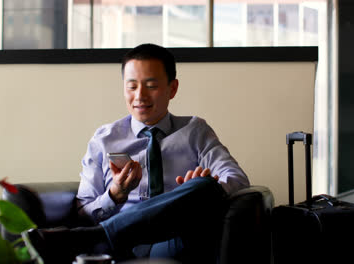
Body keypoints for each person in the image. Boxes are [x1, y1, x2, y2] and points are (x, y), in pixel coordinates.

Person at [28, 43, 250, 264]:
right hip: (116, 247)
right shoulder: (104, 139)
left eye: (151, 86)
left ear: (172, 89)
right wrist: (114, 195)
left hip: (170, 242)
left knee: (206, 187)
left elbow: (237, 179)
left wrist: (195, 192)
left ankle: (89, 237)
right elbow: (83, 212)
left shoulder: (195, 131)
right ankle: (101, 235)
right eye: (132, 87)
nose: (140, 96)